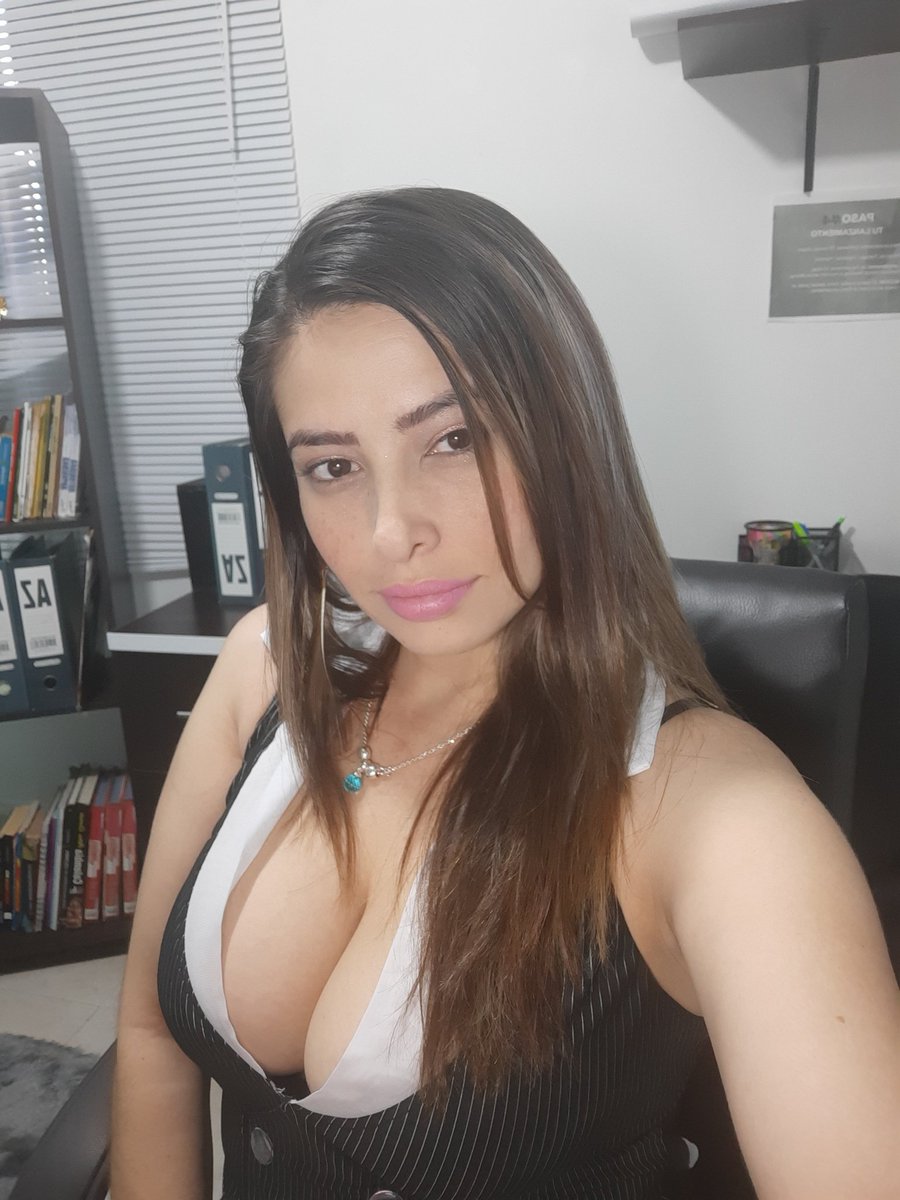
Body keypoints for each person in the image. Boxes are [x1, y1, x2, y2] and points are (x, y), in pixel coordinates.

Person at [111, 188, 900, 1200]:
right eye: (334, 465)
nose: (393, 532)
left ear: (566, 433)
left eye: (454, 439)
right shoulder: (261, 669)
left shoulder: (716, 816)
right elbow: (150, 1034)